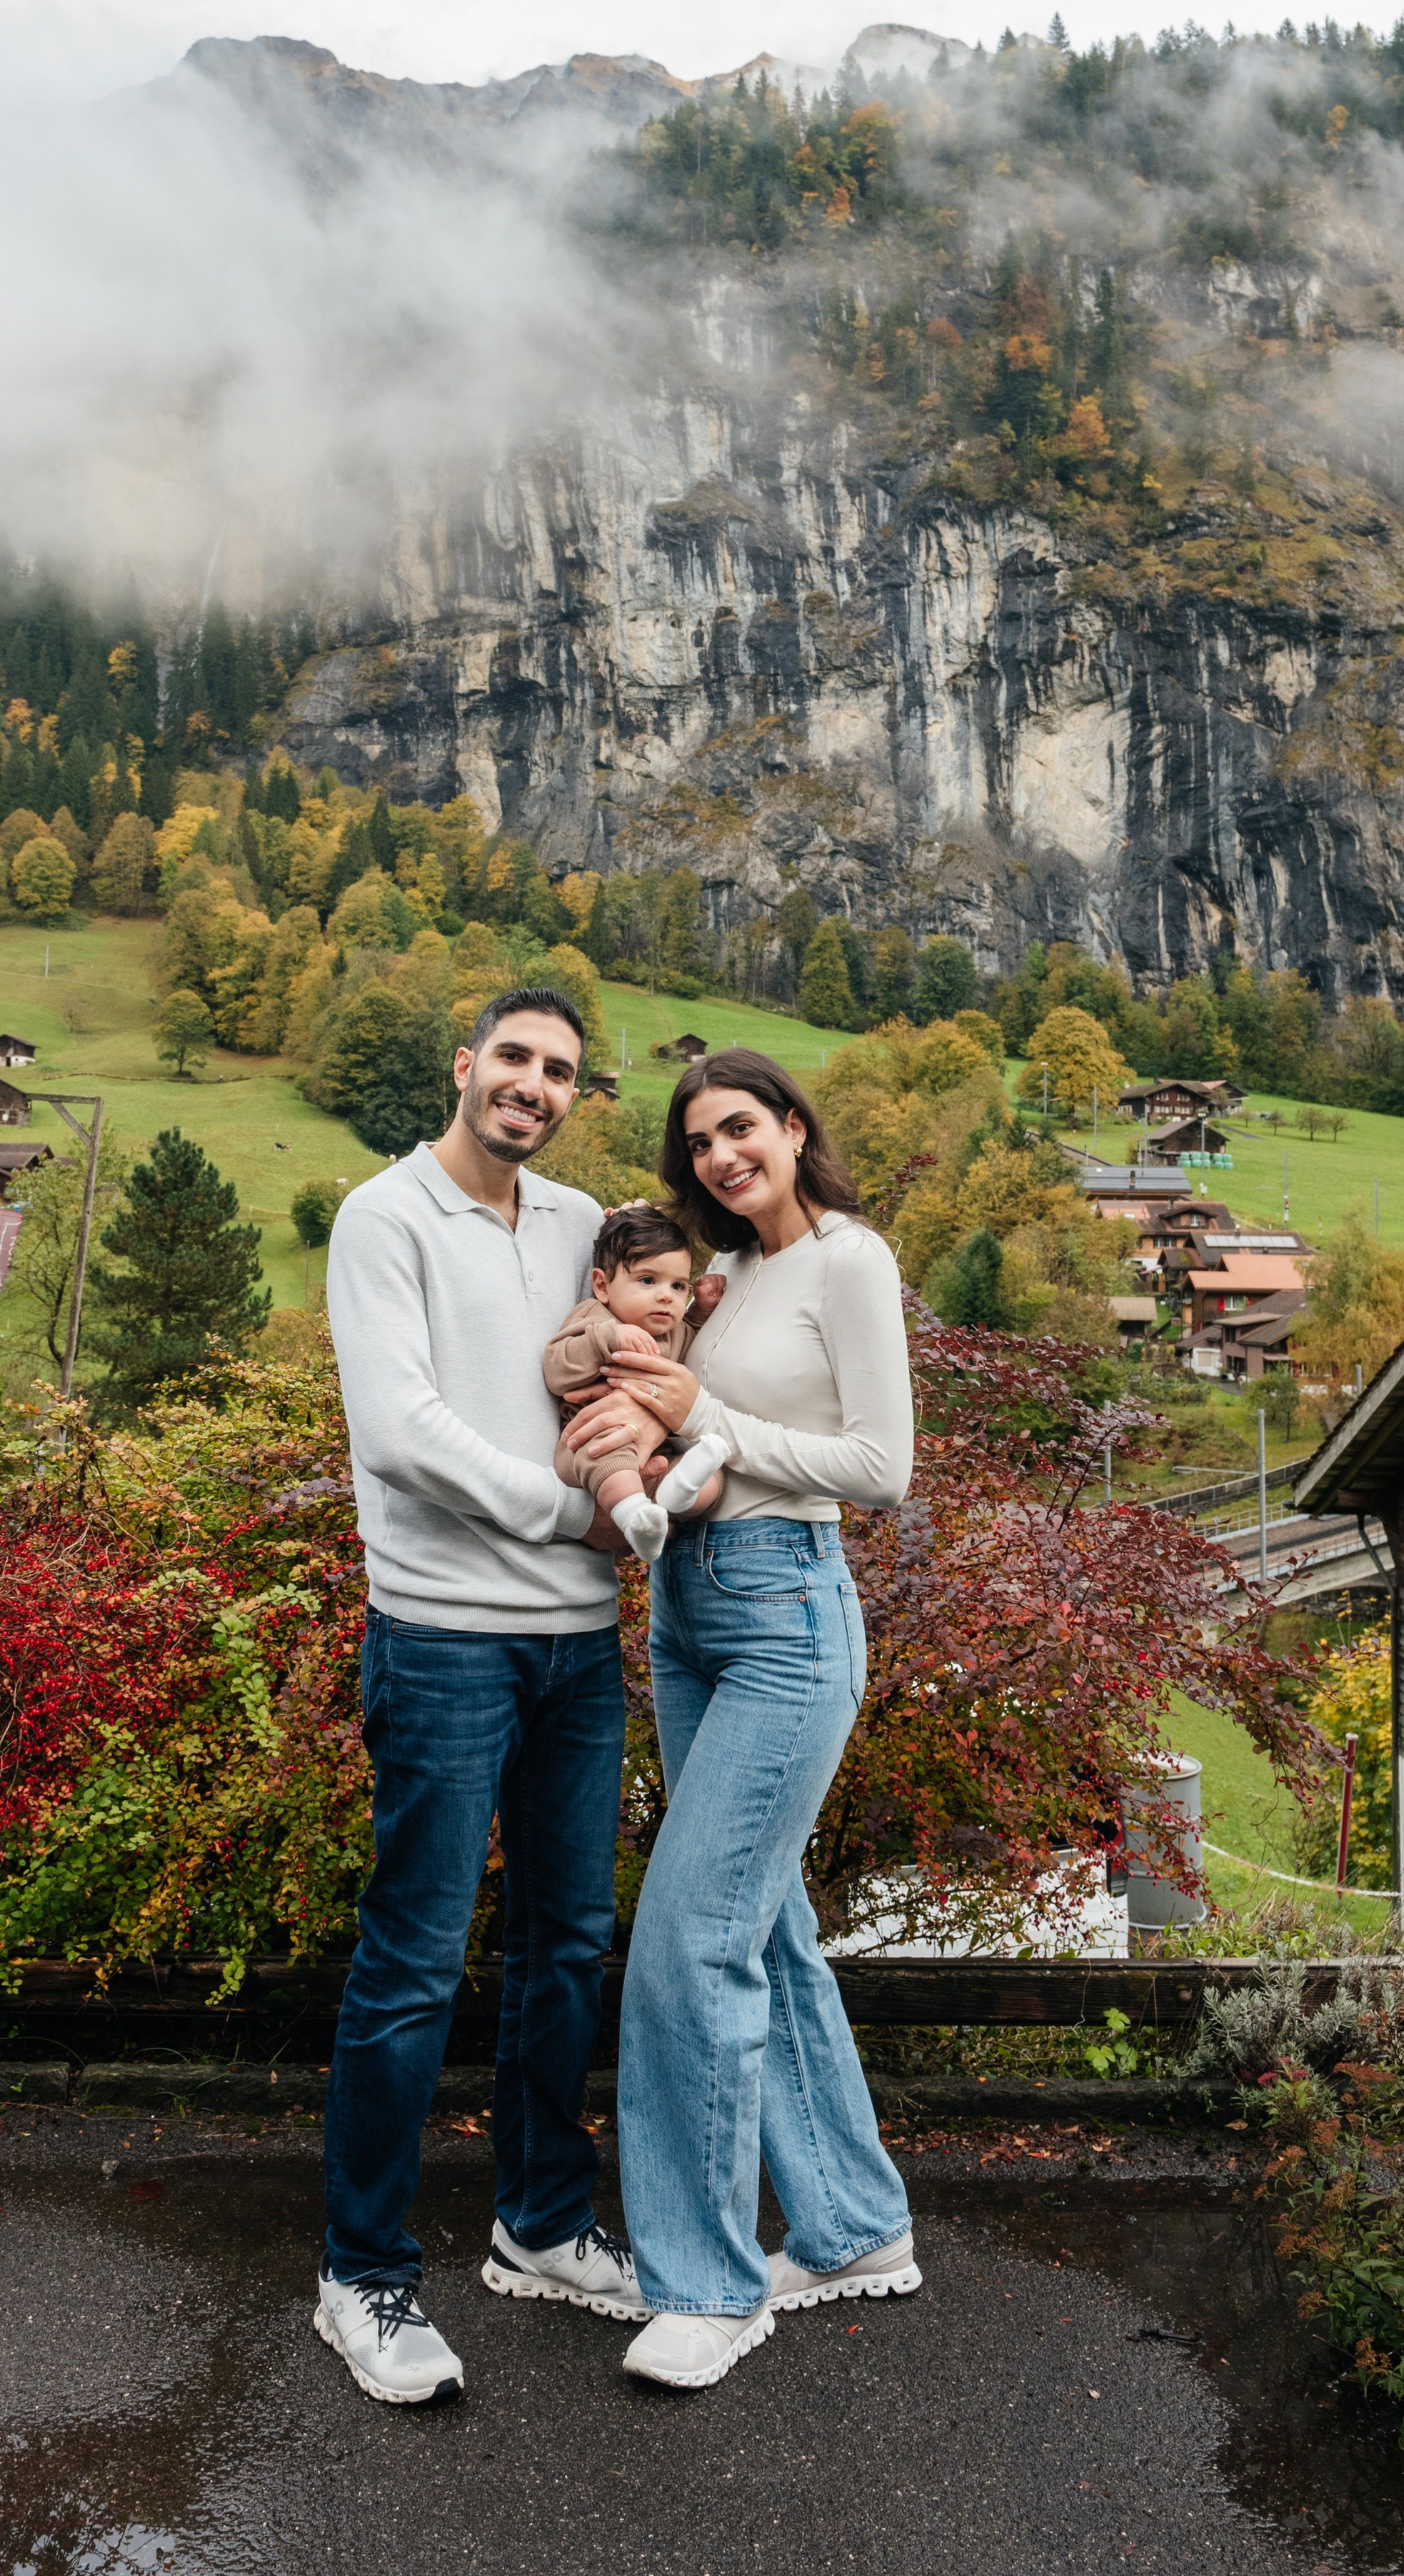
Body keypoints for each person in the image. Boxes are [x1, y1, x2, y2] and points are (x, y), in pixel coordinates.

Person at [561, 1049, 920, 2392]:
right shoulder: (730, 1278)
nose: (720, 1156)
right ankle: (852, 2227)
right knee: (767, 1933)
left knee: (685, 1944)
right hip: (692, 1612)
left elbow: (881, 1469)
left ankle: (711, 2287)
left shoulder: (849, 1260)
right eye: (699, 1142)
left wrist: (704, 1410)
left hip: (786, 1614)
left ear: (793, 1129)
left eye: (741, 1130)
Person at [319, 985, 655, 2406]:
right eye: (511, 1058)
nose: (530, 1083)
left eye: (558, 1070)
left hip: (580, 1650)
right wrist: (573, 1516)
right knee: (412, 1958)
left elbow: (654, 1343)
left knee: (568, 1943)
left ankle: (538, 2221)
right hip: (446, 1636)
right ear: (463, 1067)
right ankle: (363, 2276)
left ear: (574, 1095)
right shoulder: (380, 1220)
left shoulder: (582, 1226)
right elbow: (402, 1436)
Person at [543, 1204, 729, 1563]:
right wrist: (608, 1339)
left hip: (658, 1454)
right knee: (609, 1453)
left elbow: (692, 1336)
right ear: (602, 1285)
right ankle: (633, 1516)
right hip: (592, 1444)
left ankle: (671, 1500)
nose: (666, 1296)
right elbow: (557, 1367)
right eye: (648, 1280)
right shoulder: (595, 1319)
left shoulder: (673, 1332)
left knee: (714, 1483)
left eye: (678, 1286)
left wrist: (702, 1309)